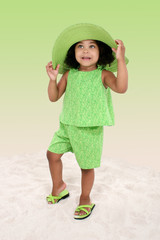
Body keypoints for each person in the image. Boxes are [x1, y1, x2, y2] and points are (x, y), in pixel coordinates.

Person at [45, 23, 128, 220]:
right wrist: (52, 80)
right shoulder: (69, 74)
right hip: (67, 125)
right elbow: (54, 97)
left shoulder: (103, 74)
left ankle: (85, 198)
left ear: (101, 52)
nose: (85, 51)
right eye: (80, 46)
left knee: (86, 167)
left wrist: (121, 61)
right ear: (73, 52)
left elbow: (121, 87)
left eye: (92, 46)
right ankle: (59, 187)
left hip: (89, 129)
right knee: (52, 155)